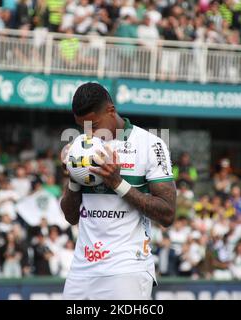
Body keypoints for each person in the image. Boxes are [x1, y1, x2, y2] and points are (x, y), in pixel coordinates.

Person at [60, 82, 176, 300]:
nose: (88, 133)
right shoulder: (79, 147)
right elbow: (71, 216)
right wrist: (73, 179)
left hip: (127, 269)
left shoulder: (150, 145)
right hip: (82, 268)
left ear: (111, 111)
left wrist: (117, 183)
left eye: (93, 125)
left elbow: (168, 214)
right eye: (82, 127)